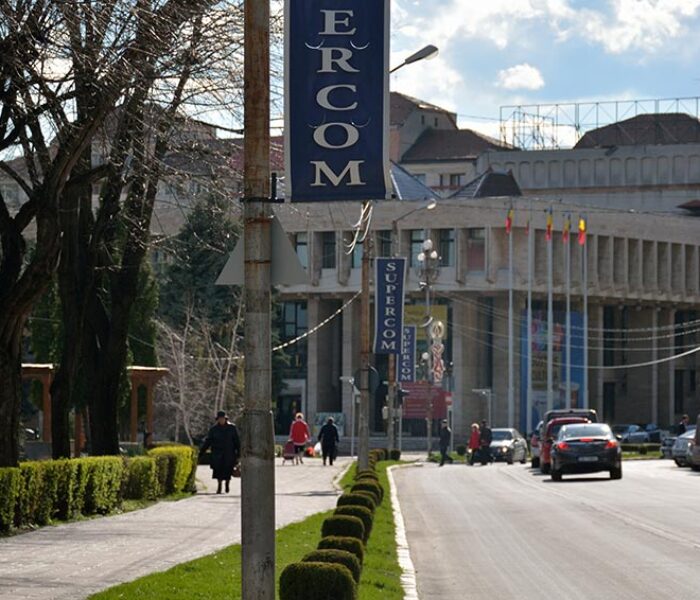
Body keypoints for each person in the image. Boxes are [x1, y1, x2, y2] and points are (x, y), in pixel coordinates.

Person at [200, 411, 240, 494]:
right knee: (218, 471)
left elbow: (237, 441)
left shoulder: (232, 428)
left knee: (228, 470)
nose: (221, 420)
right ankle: (219, 486)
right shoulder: (214, 429)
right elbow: (208, 441)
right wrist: (202, 452)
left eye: (222, 419)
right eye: (219, 419)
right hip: (217, 453)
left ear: (225, 419)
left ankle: (227, 484)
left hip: (229, 453)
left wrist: (239, 453)